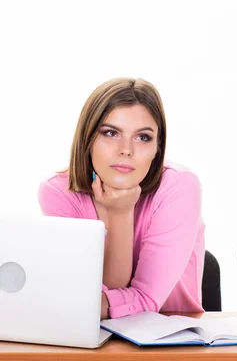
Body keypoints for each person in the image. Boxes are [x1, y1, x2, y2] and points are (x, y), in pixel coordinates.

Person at [38, 77, 205, 319]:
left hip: (170, 343)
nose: (126, 149)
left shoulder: (179, 186)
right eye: (111, 133)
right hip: (85, 339)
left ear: (158, 147)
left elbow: (143, 300)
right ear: (88, 139)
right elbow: (88, 294)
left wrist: (121, 213)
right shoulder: (58, 192)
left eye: (143, 137)